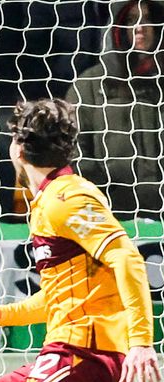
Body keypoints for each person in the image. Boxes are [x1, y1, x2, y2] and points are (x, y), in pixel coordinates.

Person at [0, 99, 161, 382]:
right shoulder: (50, 199)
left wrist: (141, 342)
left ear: (19, 152)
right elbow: (61, 297)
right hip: (67, 348)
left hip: (88, 353)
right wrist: (1, 317)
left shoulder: (67, 200)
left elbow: (127, 258)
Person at [65, 0, 164, 220]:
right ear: (117, 28)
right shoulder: (89, 85)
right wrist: (107, 191)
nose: (140, 26)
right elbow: (74, 152)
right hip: (111, 216)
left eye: (147, 18)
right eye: (130, 19)